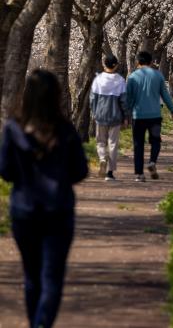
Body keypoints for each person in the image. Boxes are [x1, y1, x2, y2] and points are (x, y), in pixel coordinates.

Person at [0, 70, 88, 328]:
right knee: (52, 277)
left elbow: (4, 170)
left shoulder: (12, 129)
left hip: (24, 209)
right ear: (56, 97)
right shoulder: (65, 130)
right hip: (58, 209)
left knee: (31, 276)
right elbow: (80, 171)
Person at [126, 51, 173, 182]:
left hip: (138, 116)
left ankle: (139, 174)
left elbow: (128, 99)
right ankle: (152, 162)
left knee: (138, 144)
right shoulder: (158, 75)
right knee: (155, 141)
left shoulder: (132, 77)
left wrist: (125, 114)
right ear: (150, 62)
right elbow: (165, 95)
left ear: (138, 62)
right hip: (154, 116)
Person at [90, 55, 128, 181]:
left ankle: (102, 159)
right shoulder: (120, 80)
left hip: (100, 115)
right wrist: (125, 117)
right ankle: (110, 172)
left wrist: (94, 112)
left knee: (100, 141)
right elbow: (124, 101)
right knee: (113, 144)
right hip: (115, 116)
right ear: (116, 65)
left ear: (104, 64)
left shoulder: (98, 79)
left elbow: (92, 99)